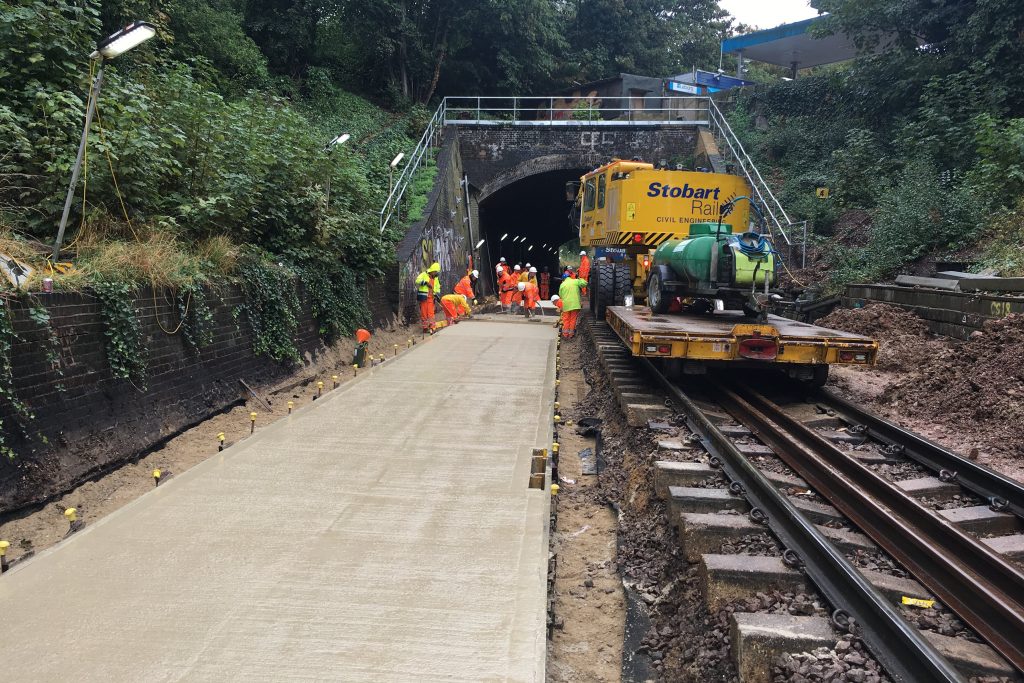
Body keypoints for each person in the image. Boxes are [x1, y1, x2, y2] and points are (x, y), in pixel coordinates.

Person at [557, 272, 588, 339]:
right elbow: (585, 283)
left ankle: (565, 334)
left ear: (563, 279)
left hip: (566, 305)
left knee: (566, 319)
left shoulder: (562, 284)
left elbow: (560, 295)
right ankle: (571, 334)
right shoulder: (576, 281)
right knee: (573, 319)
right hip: (575, 305)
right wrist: (580, 278)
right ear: (569, 277)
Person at [414, 262, 441, 333]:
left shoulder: (436, 278)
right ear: (433, 271)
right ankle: (425, 327)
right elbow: (417, 281)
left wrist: (437, 293)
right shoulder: (424, 274)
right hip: (424, 297)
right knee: (424, 313)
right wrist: (425, 283)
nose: (436, 274)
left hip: (431, 298)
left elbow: (437, 286)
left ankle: (432, 327)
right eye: (435, 272)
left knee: (431, 313)